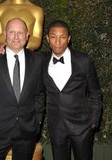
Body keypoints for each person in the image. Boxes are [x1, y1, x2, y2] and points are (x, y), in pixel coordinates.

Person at [0, 18, 45, 160]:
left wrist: (38, 121)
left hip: (27, 130)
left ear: (27, 36)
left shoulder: (38, 60)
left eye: (20, 33)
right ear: (5, 34)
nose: (16, 37)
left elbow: (39, 94)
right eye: (12, 32)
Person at [43, 20, 102, 160]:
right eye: (53, 37)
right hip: (56, 127)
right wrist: (2, 47)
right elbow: (19, 54)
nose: (58, 42)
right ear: (47, 38)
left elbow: (95, 92)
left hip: (82, 127)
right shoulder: (40, 60)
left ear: (69, 39)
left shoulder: (84, 61)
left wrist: (94, 120)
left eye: (62, 37)